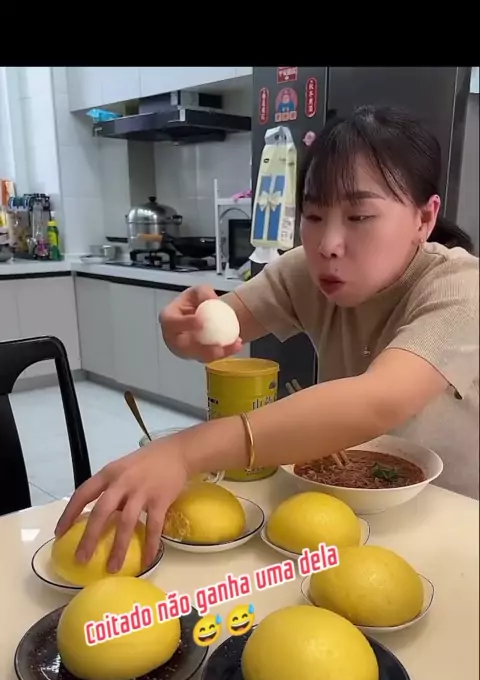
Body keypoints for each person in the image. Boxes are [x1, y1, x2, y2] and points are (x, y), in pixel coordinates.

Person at [56, 105, 479, 573]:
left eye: (359, 216)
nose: (327, 244)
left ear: (424, 218)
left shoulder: (461, 288)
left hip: (455, 525)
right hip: (343, 514)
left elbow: (379, 400)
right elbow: (223, 325)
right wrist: (186, 333)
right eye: (313, 215)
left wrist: (184, 451)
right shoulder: (307, 272)